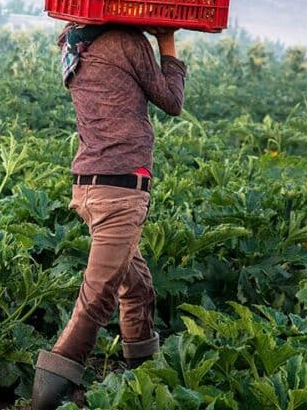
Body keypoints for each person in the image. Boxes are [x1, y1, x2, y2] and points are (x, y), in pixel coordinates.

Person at [31, 22, 187, 410]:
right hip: (120, 189)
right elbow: (172, 101)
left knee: (136, 288)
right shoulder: (127, 42)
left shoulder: (73, 42)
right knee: (96, 299)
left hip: (88, 185)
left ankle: (144, 381)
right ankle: (47, 394)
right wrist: (166, 42)